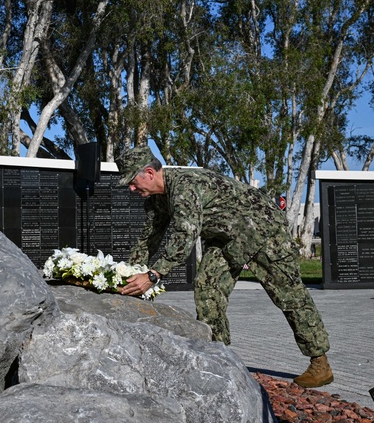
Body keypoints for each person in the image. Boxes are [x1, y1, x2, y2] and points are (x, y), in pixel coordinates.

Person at [115, 146, 334, 388]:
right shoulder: (157, 200)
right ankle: (218, 357)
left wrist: (153, 275)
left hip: (261, 229)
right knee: (207, 287)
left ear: (149, 172)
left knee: (289, 295)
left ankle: (319, 362)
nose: (132, 189)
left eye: (133, 182)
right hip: (226, 238)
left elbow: (183, 235)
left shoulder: (185, 186)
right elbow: (149, 237)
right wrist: (126, 273)